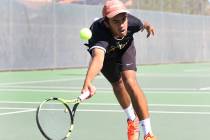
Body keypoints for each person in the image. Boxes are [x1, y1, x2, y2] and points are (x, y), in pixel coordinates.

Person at [81, 0, 156, 140]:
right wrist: (88, 81)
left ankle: (148, 134)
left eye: (123, 19)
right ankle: (131, 119)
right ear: (106, 22)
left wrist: (148, 26)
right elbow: (98, 58)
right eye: (116, 21)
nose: (122, 25)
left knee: (130, 81)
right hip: (106, 56)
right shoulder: (99, 33)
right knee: (117, 84)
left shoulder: (132, 22)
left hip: (125, 48)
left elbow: (142, 24)